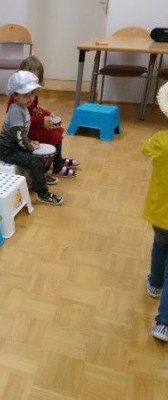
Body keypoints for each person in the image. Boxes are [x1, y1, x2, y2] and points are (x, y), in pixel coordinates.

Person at [0, 70, 64, 205]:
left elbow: (21, 134)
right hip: (7, 150)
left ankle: (38, 178)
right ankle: (42, 193)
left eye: (32, 93)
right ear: (15, 95)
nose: (30, 98)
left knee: (36, 157)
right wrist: (29, 146)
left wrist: (29, 142)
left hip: (15, 145)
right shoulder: (15, 111)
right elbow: (18, 135)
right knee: (34, 161)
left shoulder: (22, 106)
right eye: (25, 94)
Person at [17, 55, 80, 177]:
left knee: (57, 129)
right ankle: (58, 168)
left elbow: (34, 109)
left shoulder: (30, 93)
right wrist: (42, 121)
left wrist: (47, 114)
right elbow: (22, 118)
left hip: (32, 126)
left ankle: (58, 159)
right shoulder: (17, 96)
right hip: (26, 133)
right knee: (54, 136)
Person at [142, 82, 168, 342]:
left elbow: (145, 149)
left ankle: (155, 284)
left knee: (160, 247)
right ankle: (164, 324)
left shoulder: (161, 140)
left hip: (160, 214)